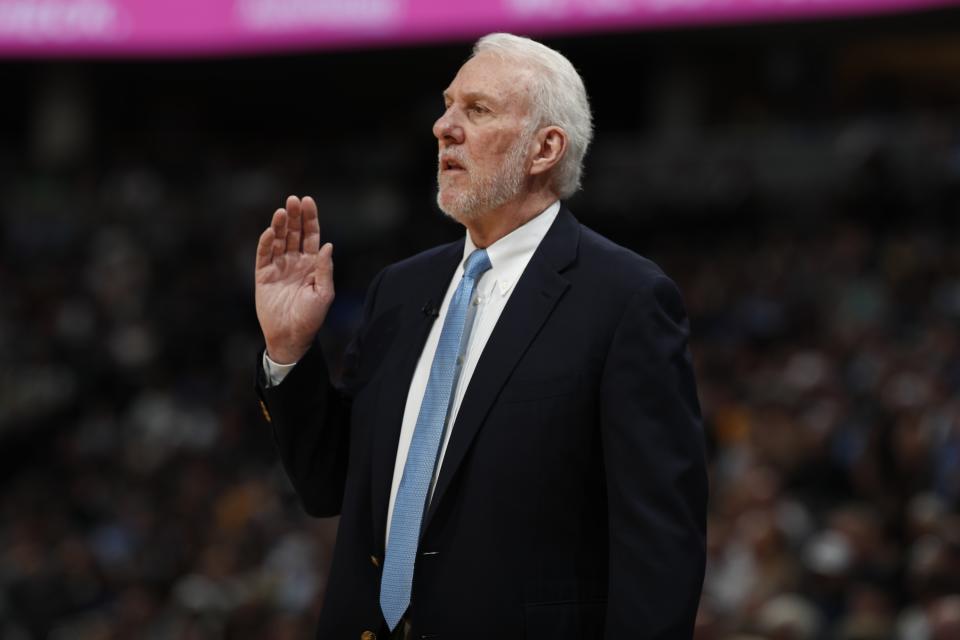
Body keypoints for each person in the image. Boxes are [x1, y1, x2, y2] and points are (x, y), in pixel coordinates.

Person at [254, 33, 707, 640]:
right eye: (447, 105)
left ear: (544, 148)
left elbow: (660, 545)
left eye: (478, 109)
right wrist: (289, 352)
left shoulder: (625, 300)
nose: (443, 127)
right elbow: (327, 484)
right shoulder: (400, 288)